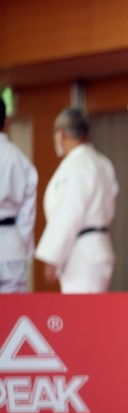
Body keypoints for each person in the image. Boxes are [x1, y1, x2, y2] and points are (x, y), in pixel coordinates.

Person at [35, 108, 118, 293]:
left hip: (82, 255)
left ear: (62, 134)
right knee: (91, 313)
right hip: (96, 247)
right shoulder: (101, 161)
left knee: (82, 315)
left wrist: (53, 257)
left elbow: (70, 212)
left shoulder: (77, 164)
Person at [0, 99, 38, 293]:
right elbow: (28, 209)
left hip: (11, 241)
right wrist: (23, 243)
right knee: (11, 311)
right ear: (6, 121)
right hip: (10, 243)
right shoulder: (18, 158)